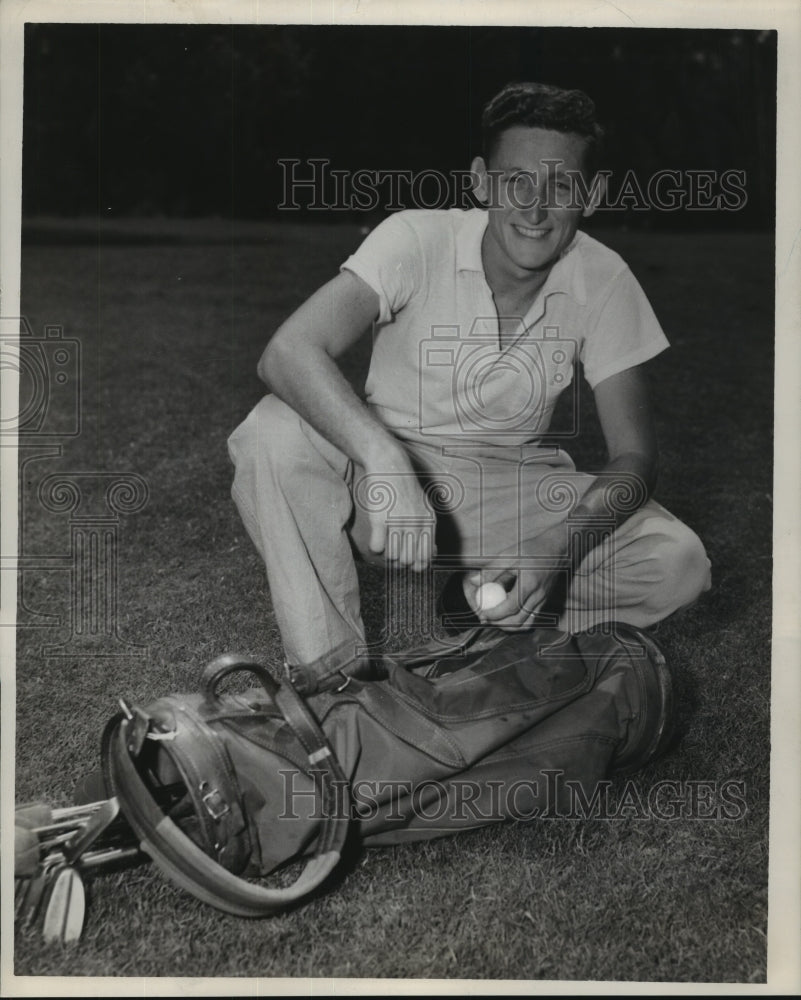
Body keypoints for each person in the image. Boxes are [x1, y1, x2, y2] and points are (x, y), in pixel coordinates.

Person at [227, 81, 711, 681]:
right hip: (383, 491)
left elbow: (635, 457)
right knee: (271, 429)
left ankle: (484, 606)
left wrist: (554, 548)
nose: (534, 209)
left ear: (592, 193)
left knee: (678, 563)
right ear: (482, 181)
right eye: (516, 181)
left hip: (507, 487)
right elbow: (287, 352)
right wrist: (383, 456)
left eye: (560, 185)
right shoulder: (416, 237)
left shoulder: (605, 277)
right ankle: (332, 678)